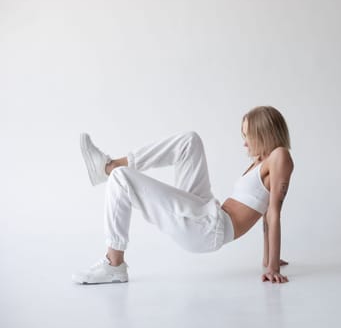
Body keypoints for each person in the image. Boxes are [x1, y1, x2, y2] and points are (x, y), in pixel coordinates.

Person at [72, 106, 294, 285]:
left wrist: (272, 266)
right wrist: (267, 259)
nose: (244, 142)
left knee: (121, 178)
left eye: (249, 136)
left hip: (207, 229)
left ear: (264, 134)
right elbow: (265, 211)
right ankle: (108, 166)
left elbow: (273, 213)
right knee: (190, 141)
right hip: (209, 212)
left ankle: (114, 264)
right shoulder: (262, 160)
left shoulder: (280, 156)